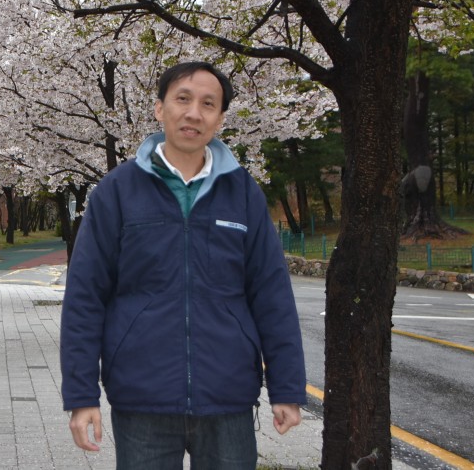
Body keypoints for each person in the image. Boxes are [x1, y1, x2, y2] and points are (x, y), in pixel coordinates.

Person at [60, 61, 307, 469]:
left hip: (228, 394)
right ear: (160, 109)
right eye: (183, 99)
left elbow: (272, 294)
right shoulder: (116, 192)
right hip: (142, 395)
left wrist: (287, 387)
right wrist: (81, 395)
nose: (194, 113)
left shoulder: (242, 193)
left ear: (220, 118)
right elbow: (85, 297)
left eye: (208, 104)